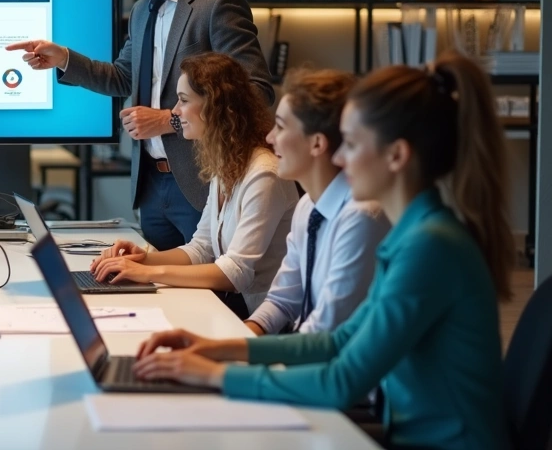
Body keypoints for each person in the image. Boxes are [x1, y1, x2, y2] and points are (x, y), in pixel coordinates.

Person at [132, 53, 513, 450]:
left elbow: (342, 379)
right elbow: (337, 341)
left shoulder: (429, 246)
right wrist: (212, 348)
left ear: (396, 155)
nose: (339, 158)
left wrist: (213, 375)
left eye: (350, 144)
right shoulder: (414, 234)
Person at [7, 0, 273, 251]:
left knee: (211, 299)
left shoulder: (218, 6)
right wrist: (64, 57)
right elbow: (121, 78)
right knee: (162, 293)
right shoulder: (142, 11)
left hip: (203, 184)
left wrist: (169, 120)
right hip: (151, 187)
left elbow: (255, 93)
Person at [89, 53, 297, 318]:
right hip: (235, 308)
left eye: (184, 100)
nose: (175, 111)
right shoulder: (227, 164)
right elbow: (202, 248)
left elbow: (236, 274)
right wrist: (141, 259)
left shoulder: (264, 174)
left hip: (261, 318)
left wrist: (148, 273)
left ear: (216, 107)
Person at [246, 69, 390, 335]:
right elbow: (282, 300)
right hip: (307, 353)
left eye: (280, 126)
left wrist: (233, 353)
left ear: (317, 144)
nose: (269, 138)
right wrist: (241, 337)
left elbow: (323, 331)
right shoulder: (308, 206)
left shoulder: (360, 217)